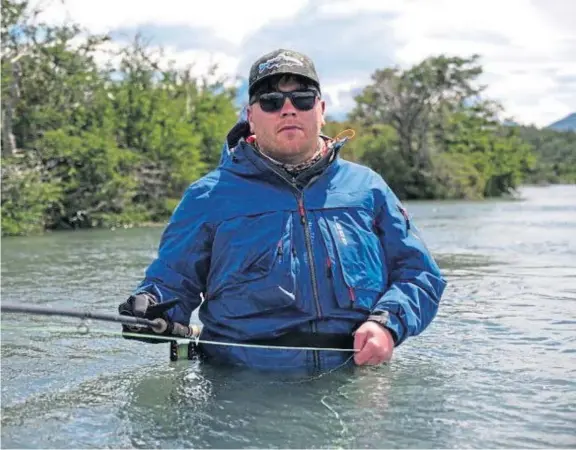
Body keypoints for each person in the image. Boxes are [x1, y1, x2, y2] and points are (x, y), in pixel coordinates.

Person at [118, 49, 447, 372]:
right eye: (271, 101)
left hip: (358, 381)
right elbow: (171, 283)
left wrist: (387, 325)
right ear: (250, 115)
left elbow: (419, 274)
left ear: (321, 109)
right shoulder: (207, 197)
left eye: (302, 99)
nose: (288, 110)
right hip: (242, 393)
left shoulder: (369, 188)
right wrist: (148, 307)